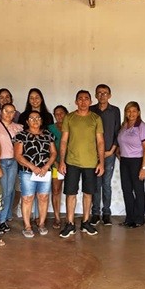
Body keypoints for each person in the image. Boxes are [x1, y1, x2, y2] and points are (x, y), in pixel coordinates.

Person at [58, 90, 105, 238]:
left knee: (88, 193)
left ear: (91, 101)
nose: (83, 101)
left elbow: (100, 142)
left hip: (91, 163)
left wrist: (101, 162)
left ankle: (85, 222)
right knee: (70, 193)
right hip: (71, 162)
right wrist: (62, 161)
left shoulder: (96, 118)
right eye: (80, 99)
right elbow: (64, 140)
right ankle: (70, 224)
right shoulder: (69, 117)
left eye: (86, 99)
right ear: (76, 101)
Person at [14, 111, 57, 238]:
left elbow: (53, 153)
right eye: (32, 118)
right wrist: (32, 167)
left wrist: (47, 166)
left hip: (45, 171)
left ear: (41, 121)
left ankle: (41, 223)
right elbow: (18, 155)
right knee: (27, 198)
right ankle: (27, 226)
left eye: (38, 118)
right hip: (27, 172)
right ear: (27, 121)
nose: (35, 120)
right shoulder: (21, 135)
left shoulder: (48, 134)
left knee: (43, 197)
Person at [89, 84, 121, 226]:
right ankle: (95, 213)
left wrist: (112, 150)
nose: (102, 95)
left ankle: (106, 213)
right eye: (99, 93)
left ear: (110, 95)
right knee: (95, 184)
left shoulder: (115, 111)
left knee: (106, 184)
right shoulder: (90, 110)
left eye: (105, 93)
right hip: (93, 155)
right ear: (96, 95)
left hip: (109, 153)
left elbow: (117, 131)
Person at [117, 102, 145, 228]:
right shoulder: (124, 126)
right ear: (126, 113)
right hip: (125, 162)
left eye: (134, 111)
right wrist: (120, 155)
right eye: (129, 111)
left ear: (138, 112)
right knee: (126, 190)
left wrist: (143, 168)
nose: (131, 114)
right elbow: (121, 144)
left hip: (137, 161)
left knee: (138, 190)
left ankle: (139, 219)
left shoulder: (141, 126)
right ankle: (129, 218)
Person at [0, 103, 23, 235]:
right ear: (1, 111)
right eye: (6, 111)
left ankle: (3, 220)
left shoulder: (19, 127)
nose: (9, 114)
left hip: (13, 161)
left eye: (12, 112)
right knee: (2, 192)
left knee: (9, 191)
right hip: (0, 161)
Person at [48, 105, 68, 229]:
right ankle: (57, 217)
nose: (59, 115)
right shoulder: (50, 128)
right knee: (56, 190)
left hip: (71, 164)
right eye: (56, 114)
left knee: (70, 191)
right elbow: (47, 147)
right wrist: (55, 162)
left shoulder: (71, 126)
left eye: (61, 113)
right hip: (56, 164)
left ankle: (69, 218)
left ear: (66, 114)